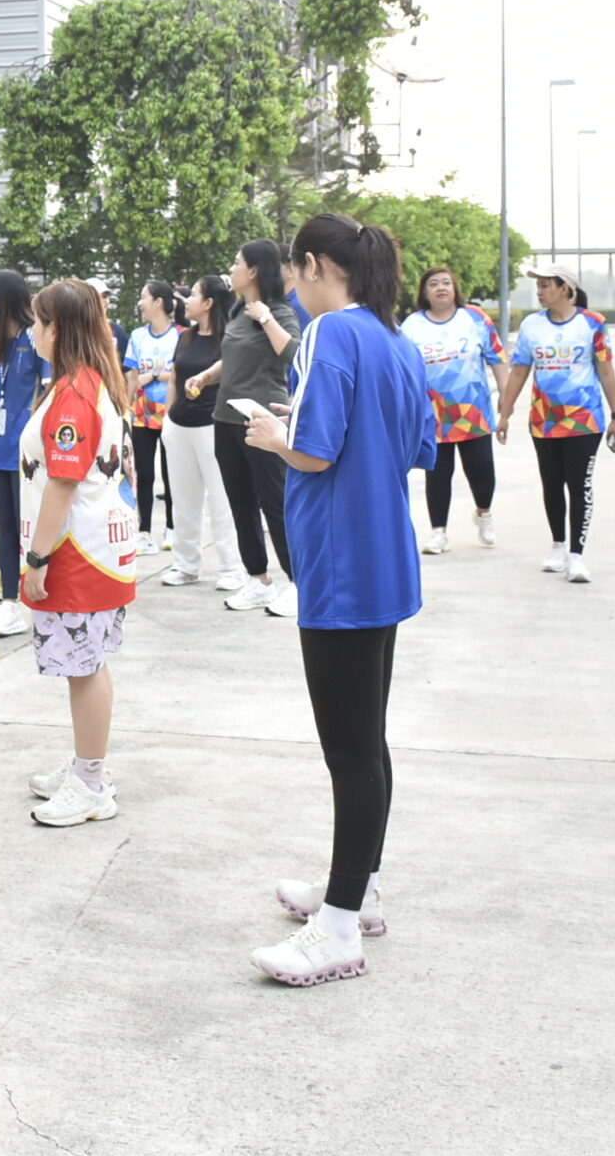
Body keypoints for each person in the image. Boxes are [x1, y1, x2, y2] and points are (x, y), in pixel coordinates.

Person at [240, 213, 434, 986]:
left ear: (316, 265)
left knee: (348, 753)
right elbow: (415, 445)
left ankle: (340, 927)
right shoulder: (398, 339)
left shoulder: (327, 333)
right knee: (368, 741)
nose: (291, 284)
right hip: (384, 556)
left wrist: (273, 436)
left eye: (294, 270)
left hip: (341, 563)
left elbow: (317, 452)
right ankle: (359, 887)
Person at [16, 277, 138, 827]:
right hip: (90, 547)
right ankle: (88, 766)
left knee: (84, 668)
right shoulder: (84, 381)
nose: (32, 332)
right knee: (86, 666)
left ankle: (90, 783)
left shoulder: (73, 393)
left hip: (76, 552)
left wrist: (37, 560)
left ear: (58, 329)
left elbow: (63, 484)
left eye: (37, 322)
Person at [182, 240, 302, 615]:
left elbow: (293, 354)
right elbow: (230, 359)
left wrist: (265, 318)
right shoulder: (237, 311)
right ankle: (259, 580)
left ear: (253, 271)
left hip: (262, 420)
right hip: (226, 419)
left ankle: (299, 583)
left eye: (237, 263)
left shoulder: (279, 312)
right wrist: (206, 375)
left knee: (275, 503)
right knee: (241, 504)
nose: (231, 269)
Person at [498, 265, 615, 582]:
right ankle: (558, 545)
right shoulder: (532, 326)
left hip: (584, 419)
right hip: (545, 419)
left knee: (578, 484)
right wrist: (505, 413)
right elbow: (519, 371)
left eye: (545, 286)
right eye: (538, 286)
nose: (539, 292)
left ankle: (577, 556)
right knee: (551, 483)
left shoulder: (592, 323)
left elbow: (606, 370)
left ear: (565, 289)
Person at [399, 266, 504, 554]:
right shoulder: (412, 325)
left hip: (474, 412)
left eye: (446, 282)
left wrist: (505, 398)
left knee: (481, 470)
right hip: (433, 416)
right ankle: (438, 532)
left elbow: (497, 358)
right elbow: (403, 370)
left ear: (455, 288)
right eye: (433, 283)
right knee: (437, 473)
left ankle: (483, 513)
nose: (441, 287)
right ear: (424, 292)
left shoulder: (475, 319)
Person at [156, 274, 241, 590]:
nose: (186, 300)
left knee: (222, 501)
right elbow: (175, 378)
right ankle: (186, 565)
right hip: (179, 426)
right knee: (183, 500)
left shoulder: (230, 337)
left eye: (193, 295)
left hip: (213, 426)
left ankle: (232, 568)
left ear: (208, 303)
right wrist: (168, 420)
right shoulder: (186, 337)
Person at [0, 270, 43, 639]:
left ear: (1, 304)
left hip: (26, 452)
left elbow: (48, 391)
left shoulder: (35, 339)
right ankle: (10, 603)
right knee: (4, 525)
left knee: (29, 527)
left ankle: (43, 599)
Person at [123, 280, 181, 552]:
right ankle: (144, 531)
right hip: (142, 414)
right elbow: (132, 377)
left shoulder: (180, 335)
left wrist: (156, 375)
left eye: (144, 297)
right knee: (143, 474)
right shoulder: (137, 336)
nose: (140, 303)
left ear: (158, 302)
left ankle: (172, 528)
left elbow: (183, 373)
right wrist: (125, 406)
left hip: (172, 412)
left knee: (172, 474)